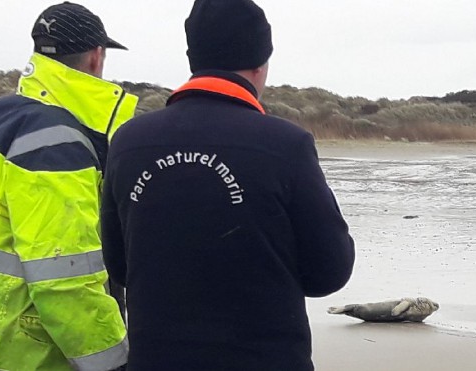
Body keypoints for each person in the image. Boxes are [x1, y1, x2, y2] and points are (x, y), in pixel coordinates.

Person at [100, 0, 356, 369]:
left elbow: (120, 266)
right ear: (260, 63)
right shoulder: (286, 144)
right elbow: (330, 272)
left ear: (193, 58)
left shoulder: (128, 142)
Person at [0, 2, 137, 370]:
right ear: (96, 57)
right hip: (17, 356)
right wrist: (115, 363)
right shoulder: (58, 145)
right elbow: (65, 283)